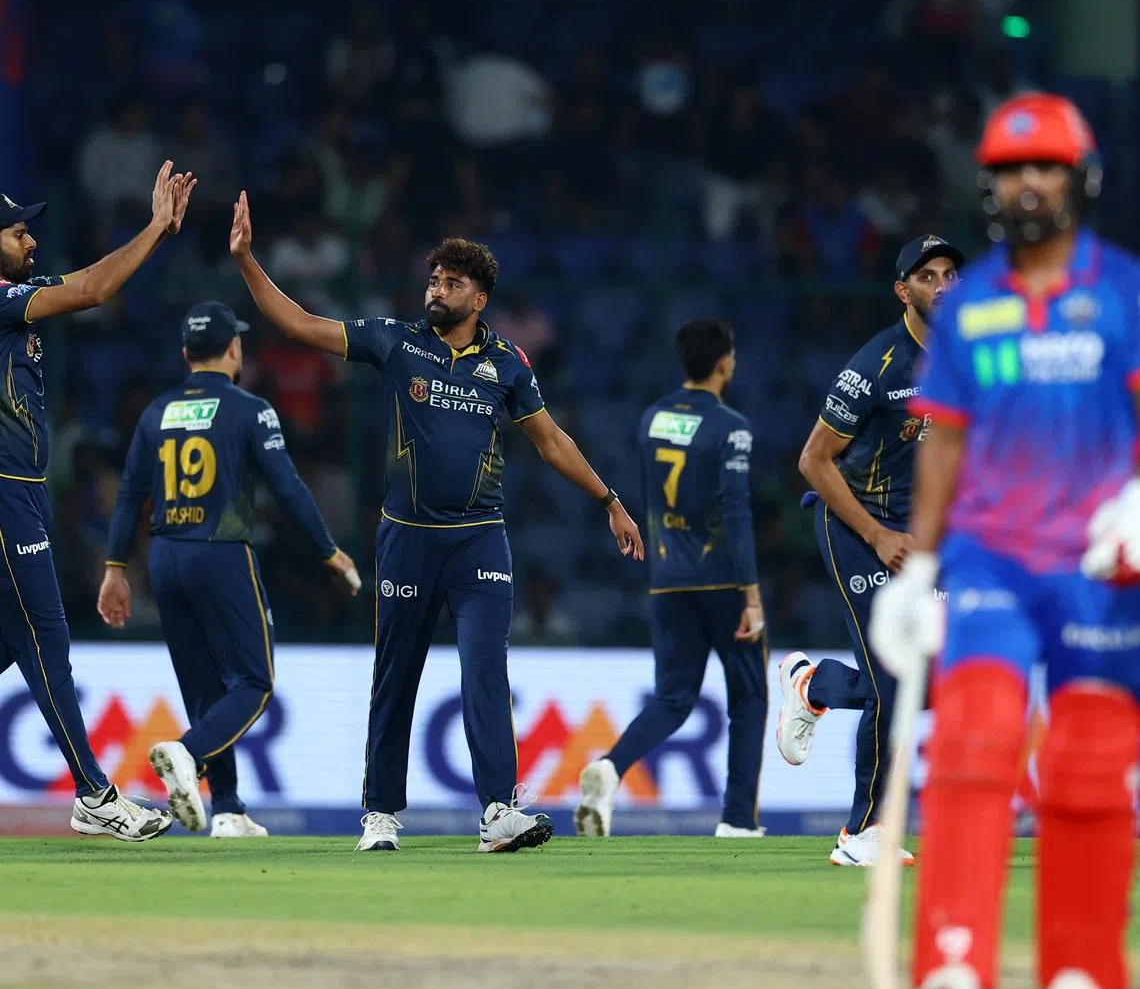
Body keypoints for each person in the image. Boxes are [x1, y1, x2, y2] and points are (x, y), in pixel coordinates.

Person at [228, 191, 644, 853]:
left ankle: (498, 813)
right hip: (409, 539)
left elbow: (551, 441)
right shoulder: (397, 343)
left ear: (479, 299)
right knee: (398, 672)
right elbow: (302, 324)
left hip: (481, 537)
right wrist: (248, 261)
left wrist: (609, 500)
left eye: (452, 282)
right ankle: (381, 816)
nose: (437, 289)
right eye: (434, 279)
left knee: (486, 670)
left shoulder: (507, 362)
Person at [870, 92, 1139, 989]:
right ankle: (953, 964)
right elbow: (943, 444)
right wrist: (917, 568)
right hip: (989, 559)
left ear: (1079, 179)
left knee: (1089, 768)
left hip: (1099, 566)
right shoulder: (972, 301)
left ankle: (1081, 971)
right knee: (975, 743)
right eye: (1009, 170)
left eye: (1044, 168)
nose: (1026, 184)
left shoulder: (1124, 293)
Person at [97, 301, 360, 836]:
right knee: (254, 682)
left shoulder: (157, 411)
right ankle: (188, 754)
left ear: (185, 354)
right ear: (235, 349)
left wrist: (115, 567)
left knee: (204, 689)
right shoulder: (249, 409)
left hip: (165, 557)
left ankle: (229, 808)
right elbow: (287, 486)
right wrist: (328, 549)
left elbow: (128, 495)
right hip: (220, 551)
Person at [0, 161, 193, 840]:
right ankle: (94, 794)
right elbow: (89, 291)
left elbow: (95, 284)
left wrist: (154, 234)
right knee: (45, 638)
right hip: (4, 497)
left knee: (13, 643)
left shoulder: (16, 294)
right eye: (17, 231)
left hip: (20, 494)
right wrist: (154, 226)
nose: (30, 243)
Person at [781, 234, 962, 866]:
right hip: (856, 526)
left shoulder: (966, 360)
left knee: (934, 685)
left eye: (949, 275)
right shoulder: (875, 365)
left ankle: (817, 685)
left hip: (920, 540)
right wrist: (878, 534)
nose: (942, 286)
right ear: (902, 290)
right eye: (927, 276)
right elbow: (812, 460)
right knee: (891, 679)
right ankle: (861, 834)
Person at [575, 319, 767, 838]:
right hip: (723, 581)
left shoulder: (652, 419)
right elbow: (736, 513)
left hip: (667, 581)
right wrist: (752, 595)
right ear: (725, 362)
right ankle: (736, 820)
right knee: (748, 697)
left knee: (673, 699)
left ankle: (611, 767)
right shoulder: (732, 427)